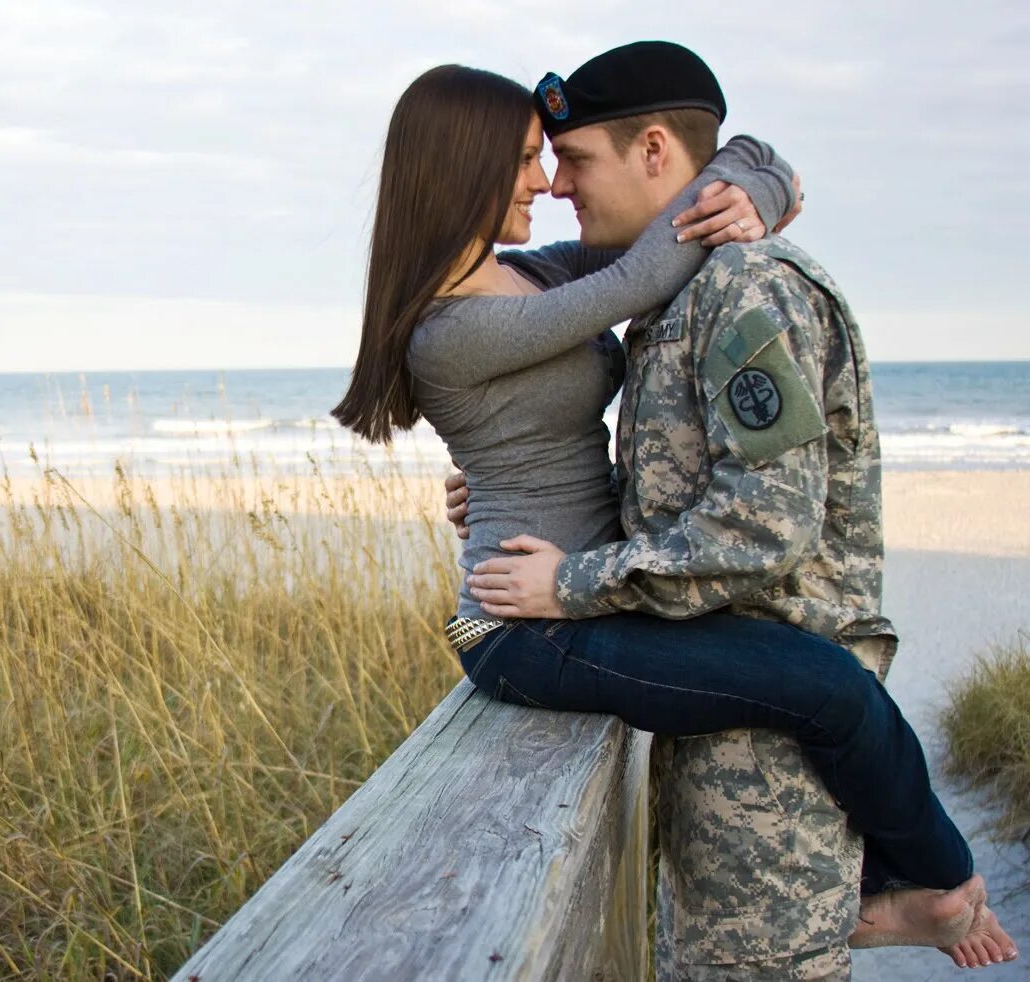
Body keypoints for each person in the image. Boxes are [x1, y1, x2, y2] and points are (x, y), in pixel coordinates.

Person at [436, 42, 1019, 976]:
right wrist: (519, 486)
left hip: (771, 750)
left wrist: (573, 580)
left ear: (656, 150)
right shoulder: (672, 288)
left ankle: (932, 885)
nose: (554, 188)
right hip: (721, 696)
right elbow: (685, 480)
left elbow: (762, 523)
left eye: (574, 160)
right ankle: (922, 888)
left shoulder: (746, 288)